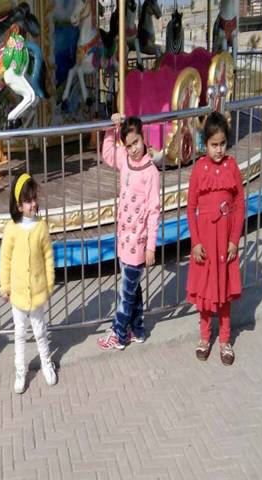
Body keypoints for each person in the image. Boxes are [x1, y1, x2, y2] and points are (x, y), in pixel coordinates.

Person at [97, 114, 160, 350]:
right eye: (129, 144)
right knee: (133, 287)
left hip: (139, 242)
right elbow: (107, 153)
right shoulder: (124, 160)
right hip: (123, 238)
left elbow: (154, 211)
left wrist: (151, 246)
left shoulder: (150, 172)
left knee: (126, 292)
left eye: (137, 143)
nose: (133, 149)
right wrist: (110, 128)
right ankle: (138, 328)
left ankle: (119, 333)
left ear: (144, 139)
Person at [186, 111, 245, 366]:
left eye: (222, 144)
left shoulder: (232, 166)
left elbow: (240, 203)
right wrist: (196, 242)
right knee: (205, 291)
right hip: (206, 244)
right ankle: (204, 336)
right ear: (205, 144)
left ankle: (224, 339)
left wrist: (234, 239)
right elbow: (190, 208)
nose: (218, 150)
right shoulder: (200, 168)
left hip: (225, 243)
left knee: (223, 291)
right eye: (213, 145)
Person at [0, 173, 58, 394]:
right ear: (19, 205)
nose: (33, 204)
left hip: (38, 291)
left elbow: (48, 255)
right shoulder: (12, 229)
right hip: (18, 294)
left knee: (40, 330)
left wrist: (49, 282)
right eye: (28, 200)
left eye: (34, 199)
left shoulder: (41, 227)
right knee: (20, 333)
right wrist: (4, 287)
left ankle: (46, 361)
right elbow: (5, 259)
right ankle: (20, 369)